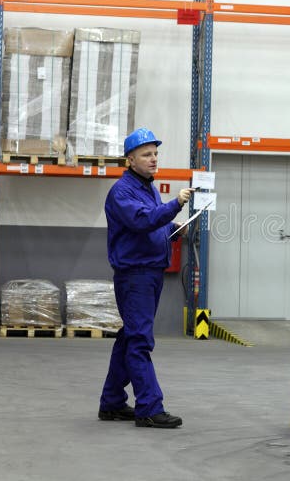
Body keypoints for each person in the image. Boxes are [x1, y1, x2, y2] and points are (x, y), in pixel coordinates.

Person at [97, 128, 194, 429]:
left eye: (155, 154)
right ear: (130, 159)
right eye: (146, 155)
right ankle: (149, 408)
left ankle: (112, 402)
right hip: (135, 275)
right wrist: (175, 204)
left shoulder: (147, 187)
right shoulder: (122, 192)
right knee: (140, 340)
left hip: (149, 272)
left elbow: (152, 223)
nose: (153, 159)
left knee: (129, 337)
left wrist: (173, 228)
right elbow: (141, 221)